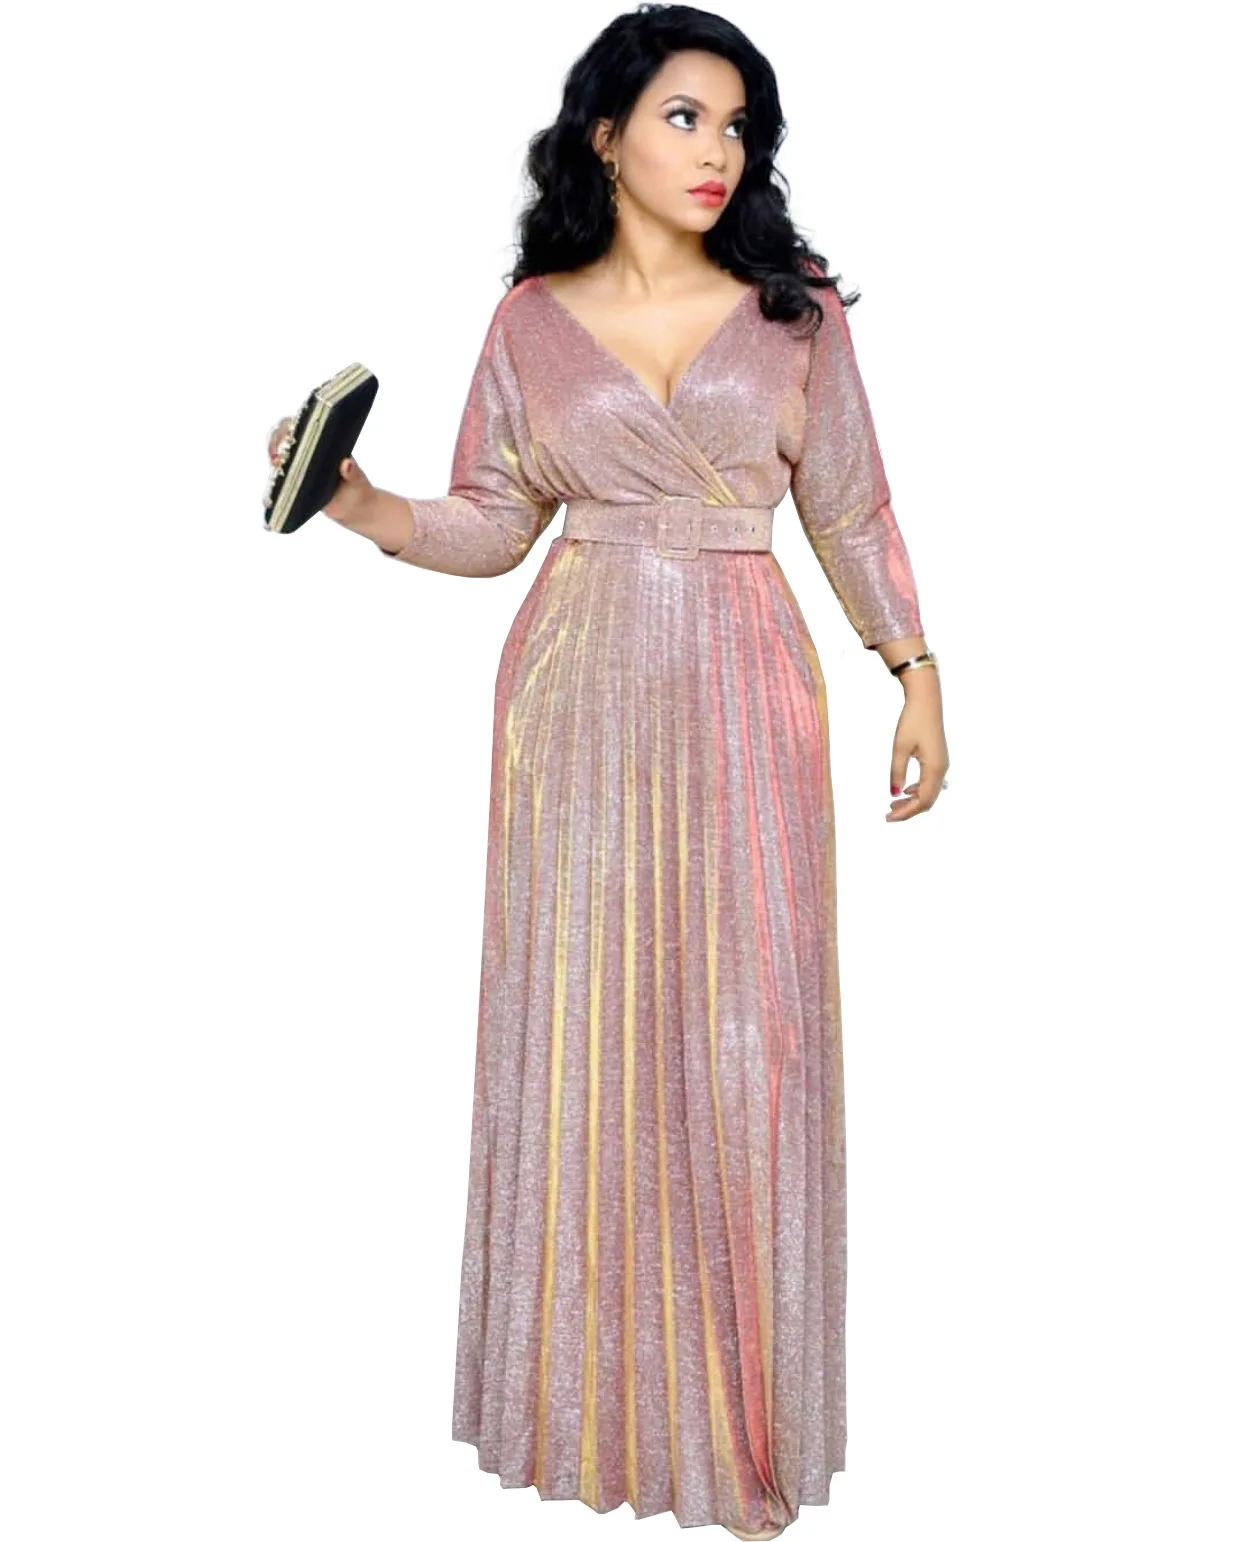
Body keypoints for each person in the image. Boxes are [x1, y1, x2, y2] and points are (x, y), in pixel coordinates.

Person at [267, 7, 949, 1536]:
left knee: (753, 1038)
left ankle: (746, 1432)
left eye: (737, 125)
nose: (718, 150)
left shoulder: (793, 311)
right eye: (683, 117)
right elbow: (492, 521)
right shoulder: (527, 322)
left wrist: (911, 665)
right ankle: (593, 1422)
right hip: (572, 696)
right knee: (585, 1026)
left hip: (746, 680)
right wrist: (362, 503)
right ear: (604, 134)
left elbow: (850, 506)